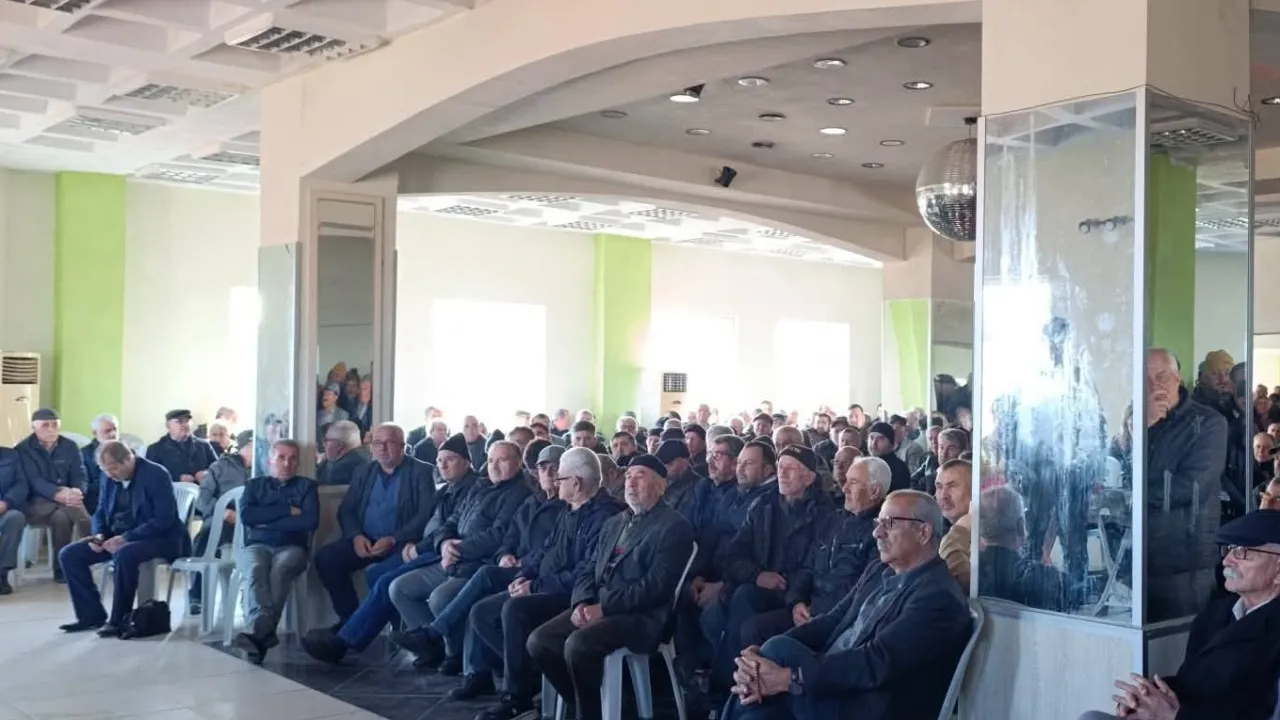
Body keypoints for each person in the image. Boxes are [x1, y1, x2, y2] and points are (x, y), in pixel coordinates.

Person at [723, 491, 971, 720]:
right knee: (762, 691)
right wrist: (762, 655)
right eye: (877, 523)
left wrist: (790, 678)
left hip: (867, 704)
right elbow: (833, 620)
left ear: (923, 533)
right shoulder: (879, 570)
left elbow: (875, 662)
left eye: (889, 523)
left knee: (775, 658)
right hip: (836, 686)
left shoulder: (938, 597)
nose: (877, 533)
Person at [527, 454, 695, 720]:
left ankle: (590, 713)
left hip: (641, 616)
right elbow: (589, 569)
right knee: (540, 641)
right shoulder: (615, 522)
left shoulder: (673, 527)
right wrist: (581, 602)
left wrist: (604, 608)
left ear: (660, 486)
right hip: (599, 605)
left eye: (640, 477)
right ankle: (589, 708)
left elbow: (655, 588)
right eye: (628, 476)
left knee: (578, 645)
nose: (631, 483)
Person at [1079, 510, 1280, 720]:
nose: (1227, 561)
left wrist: (1174, 715)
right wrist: (1146, 697)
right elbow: (1191, 681)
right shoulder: (1214, 614)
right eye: (1229, 549)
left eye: (1242, 552)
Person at [57, 441, 187, 636]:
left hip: (159, 537)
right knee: (69, 554)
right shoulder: (108, 477)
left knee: (125, 554)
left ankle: (119, 619)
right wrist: (99, 535)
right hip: (117, 534)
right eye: (105, 470)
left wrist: (126, 538)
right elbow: (101, 511)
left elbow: (164, 519)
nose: (110, 474)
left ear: (128, 459)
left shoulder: (156, 474)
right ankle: (90, 616)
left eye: (113, 468)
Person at [315, 423, 436, 626]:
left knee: (383, 575)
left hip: (402, 543)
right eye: (377, 443)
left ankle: (397, 629)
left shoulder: (421, 471)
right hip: (366, 540)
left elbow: (425, 514)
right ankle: (350, 620)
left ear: (403, 446)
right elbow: (347, 509)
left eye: (390, 443)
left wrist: (394, 539)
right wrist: (356, 536)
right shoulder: (364, 471)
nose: (382, 448)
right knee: (326, 559)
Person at [232, 440, 319, 663]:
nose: (287, 463)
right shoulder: (254, 485)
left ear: (298, 462)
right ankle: (263, 631)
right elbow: (248, 517)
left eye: (292, 458)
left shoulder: (307, 487)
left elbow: (309, 522)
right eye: (281, 457)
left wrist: (266, 521)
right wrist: (287, 510)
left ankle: (259, 632)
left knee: (279, 570)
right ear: (269, 460)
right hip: (256, 545)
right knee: (255, 568)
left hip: (292, 547)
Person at [17, 408, 91, 583]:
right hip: (35, 504)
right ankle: (94, 541)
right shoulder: (23, 449)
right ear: (34, 427)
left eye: (55, 425)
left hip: (66, 503)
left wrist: (77, 490)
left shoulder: (70, 446)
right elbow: (33, 481)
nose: (51, 429)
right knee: (72, 508)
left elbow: (80, 474)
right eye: (45, 425)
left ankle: (62, 569)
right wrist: (58, 494)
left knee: (62, 518)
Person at [188, 430, 254, 614]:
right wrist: (222, 511)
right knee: (208, 533)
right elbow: (203, 500)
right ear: (245, 446)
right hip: (224, 521)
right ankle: (197, 595)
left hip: (251, 522)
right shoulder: (220, 467)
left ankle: (251, 595)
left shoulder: (264, 467)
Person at [146, 409, 218, 486]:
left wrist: (207, 473)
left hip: (203, 490)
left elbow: (219, 469)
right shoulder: (155, 450)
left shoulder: (204, 445)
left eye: (187, 421)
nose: (185, 425)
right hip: (172, 491)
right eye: (179, 421)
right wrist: (176, 478)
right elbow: (151, 477)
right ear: (168, 425)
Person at [0, 446, 27, 595]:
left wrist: (6, 502)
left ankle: (1, 574)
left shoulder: (10, 455)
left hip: (4, 509)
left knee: (15, 518)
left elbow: (21, 484)